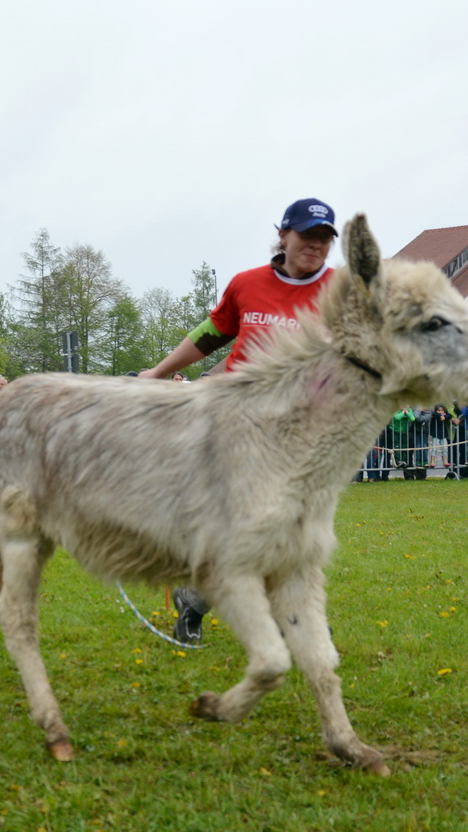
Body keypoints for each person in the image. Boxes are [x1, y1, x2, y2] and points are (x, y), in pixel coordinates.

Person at [138, 197, 338, 642]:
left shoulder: (343, 292)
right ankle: (292, 615)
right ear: (284, 235)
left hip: (307, 432)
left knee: (285, 529)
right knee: (263, 525)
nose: (316, 246)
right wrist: (156, 373)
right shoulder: (247, 285)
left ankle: (199, 600)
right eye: (308, 236)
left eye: (325, 238)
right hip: (241, 424)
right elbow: (210, 335)